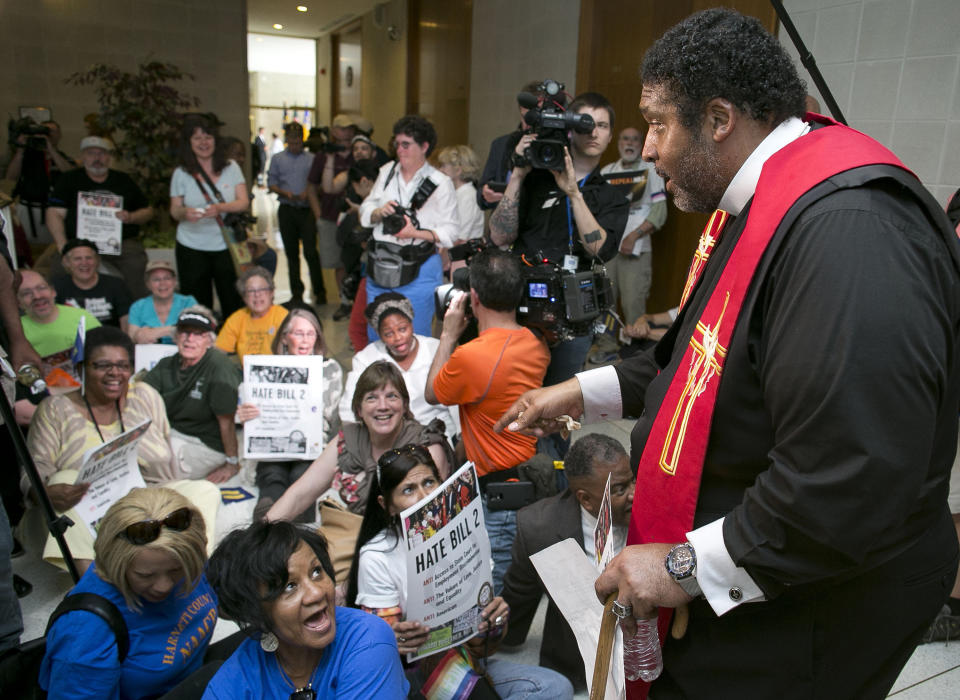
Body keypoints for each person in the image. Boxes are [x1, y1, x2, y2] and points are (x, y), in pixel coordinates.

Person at [495, 8, 960, 699]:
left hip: (809, 609)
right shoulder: (766, 202)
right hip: (763, 574)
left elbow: (846, 479)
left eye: (658, 123)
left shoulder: (847, 233)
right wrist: (577, 392)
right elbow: (695, 358)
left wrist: (684, 569)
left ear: (717, 119)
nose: (647, 150)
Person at [347, 444, 574, 700]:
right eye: (408, 490)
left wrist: (494, 623)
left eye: (429, 482)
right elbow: (381, 651)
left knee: (554, 687)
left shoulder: (468, 532)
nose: (424, 497)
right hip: (411, 677)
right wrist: (395, 637)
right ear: (386, 504)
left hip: (469, 662)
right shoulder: (377, 556)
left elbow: (481, 648)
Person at [26, 326, 220, 571]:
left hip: (142, 502)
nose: (114, 373)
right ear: (81, 368)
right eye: (103, 365)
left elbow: (167, 459)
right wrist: (46, 492)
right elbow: (31, 475)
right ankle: (96, 583)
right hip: (88, 512)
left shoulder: (145, 396)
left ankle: (191, 569)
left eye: (123, 365)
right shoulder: (55, 409)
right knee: (63, 477)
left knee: (204, 490)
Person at [488, 91, 628, 412]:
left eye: (602, 125)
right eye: (585, 124)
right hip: (520, 306)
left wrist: (573, 194)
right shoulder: (534, 180)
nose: (593, 132)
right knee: (509, 401)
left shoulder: (611, 196)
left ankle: (553, 464)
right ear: (570, 130)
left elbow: (600, 251)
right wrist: (518, 174)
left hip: (573, 316)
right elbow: (498, 236)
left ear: (610, 134)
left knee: (556, 410)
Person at [425, 248, 550, 592]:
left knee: (495, 589)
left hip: (499, 493)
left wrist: (449, 333)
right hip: (530, 476)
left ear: (474, 297)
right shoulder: (537, 344)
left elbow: (432, 393)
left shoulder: (471, 357)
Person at [38, 487, 218, 699]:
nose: (164, 585)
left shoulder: (185, 561)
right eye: (145, 575)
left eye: (176, 570)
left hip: (190, 678)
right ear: (117, 565)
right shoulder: (86, 631)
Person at [203, 520, 407, 698]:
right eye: (289, 586)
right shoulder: (235, 680)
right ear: (256, 611)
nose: (316, 593)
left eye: (317, 572)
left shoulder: (368, 641)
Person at [501, 433, 634, 689]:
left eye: (632, 481)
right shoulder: (539, 529)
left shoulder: (653, 507)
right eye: (619, 489)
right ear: (585, 498)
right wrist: (495, 636)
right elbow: (517, 601)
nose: (634, 494)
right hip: (578, 668)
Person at [267, 361, 450, 522]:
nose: (382, 406)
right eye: (371, 398)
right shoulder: (348, 441)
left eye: (391, 396)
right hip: (357, 537)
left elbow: (434, 517)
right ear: (359, 409)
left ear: (404, 405)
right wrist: (259, 534)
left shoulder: (426, 446)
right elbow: (300, 494)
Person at [235, 308, 344, 521]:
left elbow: (334, 418)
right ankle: (267, 516)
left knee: (301, 475)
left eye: (310, 334)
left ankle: (297, 523)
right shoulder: (264, 369)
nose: (305, 340)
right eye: (298, 333)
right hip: (274, 444)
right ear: (285, 338)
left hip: (313, 445)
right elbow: (248, 414)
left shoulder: (330, 369)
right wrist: (244, 415)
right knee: (272, 474)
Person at [359, 115, 459, 338]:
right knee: (377, 334)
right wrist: (378, 212)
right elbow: (365, 211)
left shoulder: (440, 183)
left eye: (406, 145)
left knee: (415, 336)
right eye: (397, 144)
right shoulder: (387, 172)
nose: (400, 150)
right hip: (381, 265)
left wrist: (414, 233)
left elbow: (451, 233)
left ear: (424, 146)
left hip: (419, 267)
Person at [590, 127, 667, 364]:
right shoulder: (606, 172)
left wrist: (633, 236)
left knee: (634, 303)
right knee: (605, 301)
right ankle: (606, 346)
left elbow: (660, 211)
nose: (630, 143)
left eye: (635, 139)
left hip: (637, 250)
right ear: (618, 143)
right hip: (607, 252)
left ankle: (636, 353)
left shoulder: (651, 171)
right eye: (626, 138)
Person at [339, 292, 458, 442]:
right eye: (388, 333)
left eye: (402, 329)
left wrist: (460, 440)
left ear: (411, 324)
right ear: (379, 335)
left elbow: (457, 404)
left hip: (440, 434)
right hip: (390, 438)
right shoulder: (366, 359)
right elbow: (349, 409)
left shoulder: (436, 350)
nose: (398, 338)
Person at [143, 306, 242, 483]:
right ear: (176, 336)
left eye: (198, 334)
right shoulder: (167, 364)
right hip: (169, 433)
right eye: (185, 332)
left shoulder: (219, 367)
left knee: (155, 469)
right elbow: (141, 395)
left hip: (203, 442)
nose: (190, 339)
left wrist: (232, 463)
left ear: (209, 341)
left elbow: (226, 421)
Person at [46, 136, 154, 298]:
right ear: (83, 157)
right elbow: (54, 213)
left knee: (135, 263)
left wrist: (131, 217)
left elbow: (148, 211)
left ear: (109, 157)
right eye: (91, 153)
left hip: (119, 242)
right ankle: (60, 309)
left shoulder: (123, 180)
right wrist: (63, 246)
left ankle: (135, 312)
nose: (97, 158)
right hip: (78, 242)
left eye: (102, 154)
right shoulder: (69, 179)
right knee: (59, 268)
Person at [169, 114, 247, 317]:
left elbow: (243, 202)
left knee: (232, 298)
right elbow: (174, 210)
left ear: (216, 140)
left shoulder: (231, 167)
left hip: (226, 245)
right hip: (191, 245)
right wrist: (185, 212)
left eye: (208, 137)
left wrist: (221, 208)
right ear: (189, 143)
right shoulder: (181, 173)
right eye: (197, 138)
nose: (203, 143)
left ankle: (231, 343)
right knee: (197, 305)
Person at [476, 80, 553, 211]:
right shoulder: (500, 145)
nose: (529, 124)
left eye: (535, 117)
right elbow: (480, 196)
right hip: (503, 224)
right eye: (525, 117)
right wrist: (486, 195)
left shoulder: (557, 149)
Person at [269, 121, 323, 307]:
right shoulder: (277, 159)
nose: (295, 144)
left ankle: (319, 291)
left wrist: (307, 194)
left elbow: (318, 184)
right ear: (286, 140)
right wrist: (286, 193)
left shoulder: (311, 159)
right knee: (291, 254)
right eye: (291, 140)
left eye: (298, 140)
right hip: (287, 208)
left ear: (302, 139)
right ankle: (296, 293)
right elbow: (271, 183)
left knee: (310, 251)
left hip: (307, 210)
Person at [306, 114, 357, 306]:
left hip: (355, 216)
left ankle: (355, 300)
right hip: (329, 216)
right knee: (338, 263)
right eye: (342, 128)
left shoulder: (359, 152)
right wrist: (318, 214)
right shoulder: (323, 156)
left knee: (354, 262)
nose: (346, 132)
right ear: (334, 131)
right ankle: (345, 301)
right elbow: (311, 187)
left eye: (350, 128)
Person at [17, 268, 101, 384]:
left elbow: (104, 354)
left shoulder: (81, 317)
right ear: (18, 302)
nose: (37, 296)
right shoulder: (16, 331)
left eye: (41, 288)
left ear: (53, 291)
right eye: (26, 293)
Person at [53, 238, 132, 331]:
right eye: (77, 259)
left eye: (89, 258)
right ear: (66, 263)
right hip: (70, 341)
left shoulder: (116, 284)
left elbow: (126, 319)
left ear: (97, 261)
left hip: (108, 340)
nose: (84, 263)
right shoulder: (56, 286)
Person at [214, 266, 288, 361]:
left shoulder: (283, 316)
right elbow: (219, 351)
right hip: (245, 373)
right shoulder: (237, 318)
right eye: (251, 291)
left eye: (262, 289)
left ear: (271, 293)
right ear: (244, 297)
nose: (257, 295)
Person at [127, 260, 198, 345]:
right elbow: (132, 337)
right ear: (148, 284)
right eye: (156, 279)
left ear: (174, 281)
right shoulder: (138, 306)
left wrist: (156, 332)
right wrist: (139, 336)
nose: (162, 283)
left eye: (167, 278)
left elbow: (196, 329)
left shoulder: (188, 302)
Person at [436, 144, 484, 252]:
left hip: (462, 257)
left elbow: (458, 237)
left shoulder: (468, 196)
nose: (440, 169)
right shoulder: (454, 193)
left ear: (458, 170)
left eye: (444, 166)